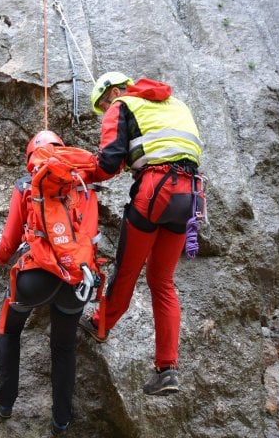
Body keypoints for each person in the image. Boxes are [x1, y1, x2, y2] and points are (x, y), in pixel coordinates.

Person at [78, 72, 203, 396]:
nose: (106, 110)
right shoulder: (174, 103)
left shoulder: (122, 104)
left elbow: (108, 164)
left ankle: (100, 324)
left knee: (128, 270)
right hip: (190, 195)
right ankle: (167, 369)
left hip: (156, 191)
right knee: (162, 281)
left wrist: (75, 172)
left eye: (104, 104)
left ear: (115, 91)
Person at [0, 130, 98, 437]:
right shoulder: (84, 183)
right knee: (63, 347)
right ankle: (61, 419)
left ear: (30, 159)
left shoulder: (26, 184)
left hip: (35, 277)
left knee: (10, 329)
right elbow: (89, 235)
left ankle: (5, 399)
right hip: (77, 279)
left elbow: (9, 240)